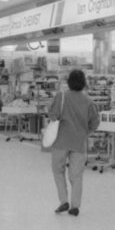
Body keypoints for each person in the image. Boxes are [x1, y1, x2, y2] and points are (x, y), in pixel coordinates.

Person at [48, 69, 99, 217]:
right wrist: (85, 132)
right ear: (84, 83)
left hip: (61, 142)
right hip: (79, 143)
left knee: (58, 171)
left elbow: (53, 115)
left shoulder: (61, 96)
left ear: (69, 82)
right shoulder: (89, 102)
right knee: (76, 176)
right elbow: (95, 123)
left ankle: (64, 200)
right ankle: (75, 206)